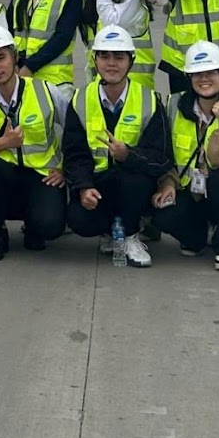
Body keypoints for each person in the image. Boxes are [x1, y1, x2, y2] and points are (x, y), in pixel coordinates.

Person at [64, 26, 169, 268]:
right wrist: (83, 187)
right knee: (79, 219)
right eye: (104, 56)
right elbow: (73, 153)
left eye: (119, 57)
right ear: (95, 60)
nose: (111, 64)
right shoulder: (81, 99)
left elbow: (162, 158)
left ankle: (130, 234)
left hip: (134, 187)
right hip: (98, 185)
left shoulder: (149, 100)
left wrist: (128, 155)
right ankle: (110, 233)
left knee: (135, 180)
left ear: (131, 61)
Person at [0, 23, 69, 262]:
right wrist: (4, 142)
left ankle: (34, 226)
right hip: (5, 175)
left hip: (43, 174)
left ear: (14, 57)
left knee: (50, 227)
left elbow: (76, 133)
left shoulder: (45, 90)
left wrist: (65, 168)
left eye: (1, 58)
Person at [151, 41, 219, 270]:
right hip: (189, 190)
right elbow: (165, 152)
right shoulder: (174, 105)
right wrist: (167, 183)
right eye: (197, 74)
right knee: (163, 217)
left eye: (211, 72)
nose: (204, 79)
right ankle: (198, 237)